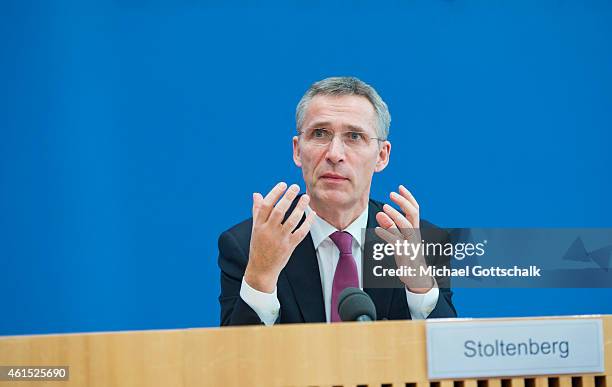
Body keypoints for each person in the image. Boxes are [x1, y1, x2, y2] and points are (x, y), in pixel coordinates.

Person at [218, 76, 456, 326]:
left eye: (354, 136)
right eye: (320, 133)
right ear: (298, 150)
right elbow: (235, 362)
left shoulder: (424, 243)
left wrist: (420, 285)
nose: (334, 154)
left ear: (382, 156)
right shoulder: (248, 245)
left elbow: (452, 355)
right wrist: (261, 276)